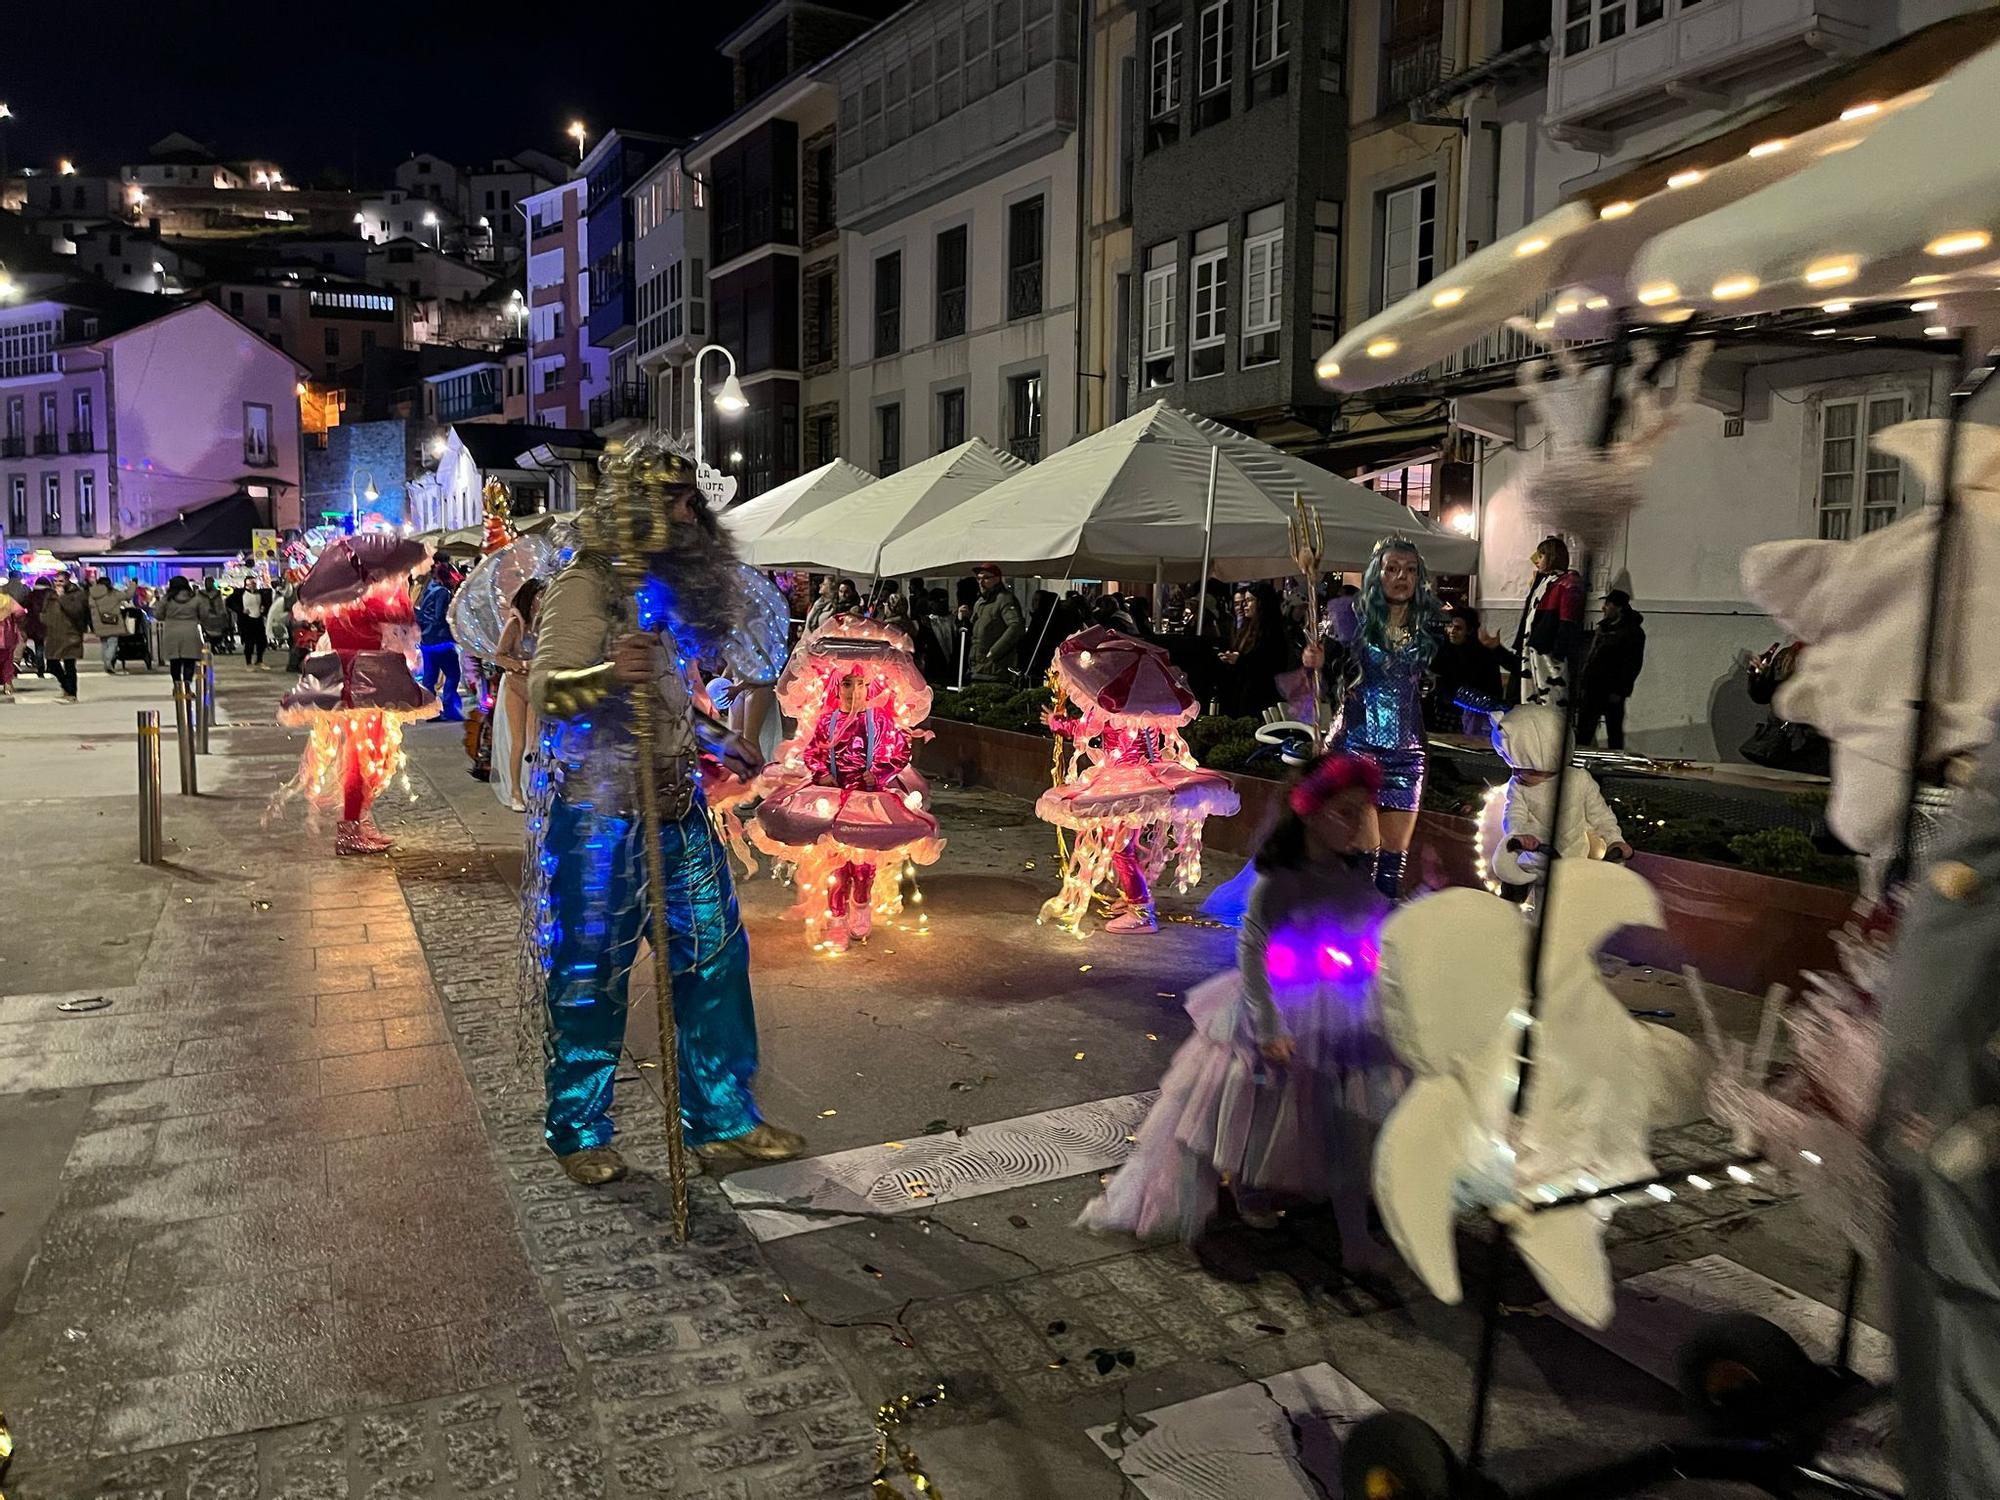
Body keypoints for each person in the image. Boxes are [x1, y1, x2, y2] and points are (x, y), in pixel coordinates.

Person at [529, 441, 804, 1186]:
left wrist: (717, 739)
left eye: (694, 501)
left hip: (678, 810)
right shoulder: (585, 586)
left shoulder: (657, 591)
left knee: (714, 961)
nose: (694, 515)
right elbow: (549, 692)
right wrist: (604, 673)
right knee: (591, 978)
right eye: (680, 502)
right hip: (599, 820)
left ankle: (721, 1121)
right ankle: (579, 1128)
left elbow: (672, 698)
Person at [1079, 753, 1400, 1261]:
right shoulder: (1284, 875)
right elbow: (1253, 946)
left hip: (1339, 1001)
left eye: (1364, 811)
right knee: (1260, 1101)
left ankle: (1346, 1225)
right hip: (1282, 1000)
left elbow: (1369, 916)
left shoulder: (1346, 868)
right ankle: (1251, 1185)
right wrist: (1267, 1023)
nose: (1359, 823)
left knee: (1329, 1103)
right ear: (1311, 813)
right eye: (1345, 811)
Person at [276, 536, 439, 854]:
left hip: (355, 684)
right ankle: (350, 828)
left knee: (366, 756)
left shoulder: (336, 601)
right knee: (363, 758)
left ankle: (357, 821)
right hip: (367, 684)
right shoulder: (369, 601)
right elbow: (402, 621)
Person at [1309, 535, 1446, 900]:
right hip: (1357, 747)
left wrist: (1500, 710)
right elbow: (1326, 683)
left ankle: (1378, 931)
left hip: (1408, 753)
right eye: (1392, 569)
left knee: (1393, 856)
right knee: (1365, 847)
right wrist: (1319, 664)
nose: (1401, 577)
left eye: (1410, 570)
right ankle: (1350, 928)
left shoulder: (1430, 627)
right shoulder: (1350, 619)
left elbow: (1449, 685)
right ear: (1377, 574)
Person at [1476, 704, 1632, 902]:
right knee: (1516, 903)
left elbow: (1600, 815)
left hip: (1574, 864)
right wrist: (1519, 835)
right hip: (1531, 863)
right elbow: (1513, 812)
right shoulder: (1518, 786)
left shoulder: (1579, 780)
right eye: (1515, 768)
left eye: (1528, 769)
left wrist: (1614, 839)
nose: (1518, 774)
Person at [1510, 534, 1585, 707]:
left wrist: (1558, 651)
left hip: (1548, 650)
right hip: (1533, 647)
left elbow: (1568, 619)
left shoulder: (1567, 582)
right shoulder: (1545, 581)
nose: (1537, 560)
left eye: (1541, 555)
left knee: (1549, 695)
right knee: (1529, 692)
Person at [491, 577, 543, 812]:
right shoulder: (515, 624)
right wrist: (523, 665)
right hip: (515, 685)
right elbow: (499, 656)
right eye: (540, 596)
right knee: (519, 741)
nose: (543, 600)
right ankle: (515, 791)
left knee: (535, 743)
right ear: (530, 599)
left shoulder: (543, 624)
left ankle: (534, 787)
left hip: (536, 686)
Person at [1578, 588, 1646, 750]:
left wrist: (1620, 690)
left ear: (1618, 607)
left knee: (1614, 732)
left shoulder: (1632, 633)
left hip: (1612, 691)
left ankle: (1614, 765)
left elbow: (1632, 664)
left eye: (1607, 604)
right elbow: (1592, 657)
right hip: (1593, 687)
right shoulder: (1604, 628)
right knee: (1584, 731)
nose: (1603, 608)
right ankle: (1579, 763)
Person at [1428, 606, 1513, 734]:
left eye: (1458, 628)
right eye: (1450, 626)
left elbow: (1491, 688)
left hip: (1476, 716)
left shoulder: (1481, 653)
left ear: (1469, 630)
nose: (1452, 631)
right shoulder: (1442, 649)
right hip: (1445, 714)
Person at [1218, 583, 1291, 718]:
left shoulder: (1272, 632)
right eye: (1244, 601)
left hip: (1261, 698)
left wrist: (1240, 660)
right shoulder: (1247, 628)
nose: (1244, 605)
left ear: (1262, 603)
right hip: (1242, 693)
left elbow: (1268, 663)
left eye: (1249, 600)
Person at [416, 562, 464, 721]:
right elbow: (440, 616)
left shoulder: (429, 589)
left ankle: (430, 711)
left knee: (430, 677)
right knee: (453, 673)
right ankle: (450, 707)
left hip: (426, 641)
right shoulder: (443, 593)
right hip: (441, 640)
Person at [965, 563, 1026, 683]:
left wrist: (994, 652)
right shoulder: (980, 602)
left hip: (994, 669)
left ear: (997, 579)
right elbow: (974, 629)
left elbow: (1016, 626)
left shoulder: (1004, 599)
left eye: (986, 578)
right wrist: (963, 618)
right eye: (978, 578)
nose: (981, 582)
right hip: (977, 667)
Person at [38, 573, 89, 703]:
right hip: (53, 635)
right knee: (51, 664)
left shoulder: (77, 594)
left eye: (61, 581)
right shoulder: (50, 595)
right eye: (55, 581)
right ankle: (66, 687)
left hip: (70, 634)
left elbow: (76, 611)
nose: (58, 583)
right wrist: (44, 620)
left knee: (69, 665)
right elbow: (44, 610)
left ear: (67, 581)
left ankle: (71, 693)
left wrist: (62, 598)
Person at [157, 577, 206, 690]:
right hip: (190, 631)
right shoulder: (196, 599)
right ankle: (187, 684)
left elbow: (158, 614)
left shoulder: (166, 599)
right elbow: (203, 614)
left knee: (175, 662)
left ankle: (177, 686)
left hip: (172, 632)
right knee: (190, 660)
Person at [87, 575, 125, 673]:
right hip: (112, 621)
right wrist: (133, 584)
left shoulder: (92, 594)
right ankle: (108, 662)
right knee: (113, 643)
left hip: (99, 622)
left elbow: (90, 606)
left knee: (104, 644)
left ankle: (106, 663)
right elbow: (127, 595)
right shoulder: (113, 593)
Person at [238, 576, 273, 669]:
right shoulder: (240, 593)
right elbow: (230, 603)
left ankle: (259, 660)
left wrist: (263, 608)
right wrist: (241, 610)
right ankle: (248, 662)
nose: (253, 585)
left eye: (254, 583)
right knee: (249, 643)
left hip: (258, 619)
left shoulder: (260, 593)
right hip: (247, 621)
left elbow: (266, 603)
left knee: (261, 642)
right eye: (251, 583)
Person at [196, 581, 231, 656]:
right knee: (210, 635)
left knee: (217, 635)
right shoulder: (200, 594)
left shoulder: (216, 594)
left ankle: (214, 646)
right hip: (208, 618)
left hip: (214, 618)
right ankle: (212, 647)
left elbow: (221, 605)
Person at [0, 587, 23, 700]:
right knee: (7, 662)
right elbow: (20, 612)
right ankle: (7, 685)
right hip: (6, 637)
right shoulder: (7, 600)